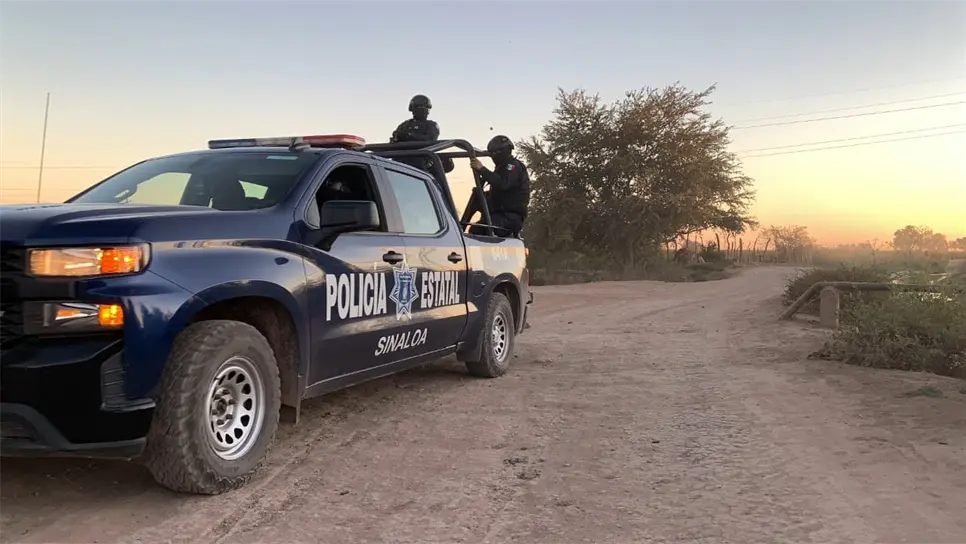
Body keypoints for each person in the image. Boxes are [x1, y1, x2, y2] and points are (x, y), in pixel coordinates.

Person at [468, 135, 530, 237]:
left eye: (494, 153)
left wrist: (482, 169)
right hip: (499, 214)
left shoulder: (513, 166)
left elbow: (503, 184)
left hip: (510, 217)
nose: (493, 156)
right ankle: (459, 226)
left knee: (477, 229)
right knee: (478, 196)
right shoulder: (502, 168)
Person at [390, 94, 454, 173]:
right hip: (401, 160)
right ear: (413, 109)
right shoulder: (404, 125)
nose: (426, 111)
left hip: (422, 160)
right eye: (422, 108)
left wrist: (410, 135)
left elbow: (430, 140)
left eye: (427, 108)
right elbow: (395, 141)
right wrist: (396, 138)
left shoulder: (431, 125)